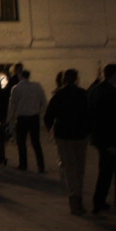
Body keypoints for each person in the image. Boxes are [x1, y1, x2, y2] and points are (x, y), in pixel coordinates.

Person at [44, 68, 92, 215]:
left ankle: (74, 199)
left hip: (64, 136)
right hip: (80, 135)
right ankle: (78, 197)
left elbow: (48, 117)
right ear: (76, 79)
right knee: (79, 168)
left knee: (69, 168)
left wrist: (52, 131)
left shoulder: (59, 95)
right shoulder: (83, 94)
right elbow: (90, 114)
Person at [90, 63, 116, 224]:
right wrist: (111, 143)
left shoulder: (100, 90)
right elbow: (106, 120)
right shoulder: (109, 93)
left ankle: (98, 204)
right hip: (113, 142)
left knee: (105, 175)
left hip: (107, 142)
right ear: (115, 75)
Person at [7, 69, 47, 173]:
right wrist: (40, 112)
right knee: (36, 142)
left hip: (22, 118)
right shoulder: (37, 86)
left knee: (21, 142)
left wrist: (10, 119)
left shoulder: (16, 88)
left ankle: (23, 164)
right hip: (34, 117)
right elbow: (43, 101)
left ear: (20, 76)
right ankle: (41, 165)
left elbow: (13, 105)